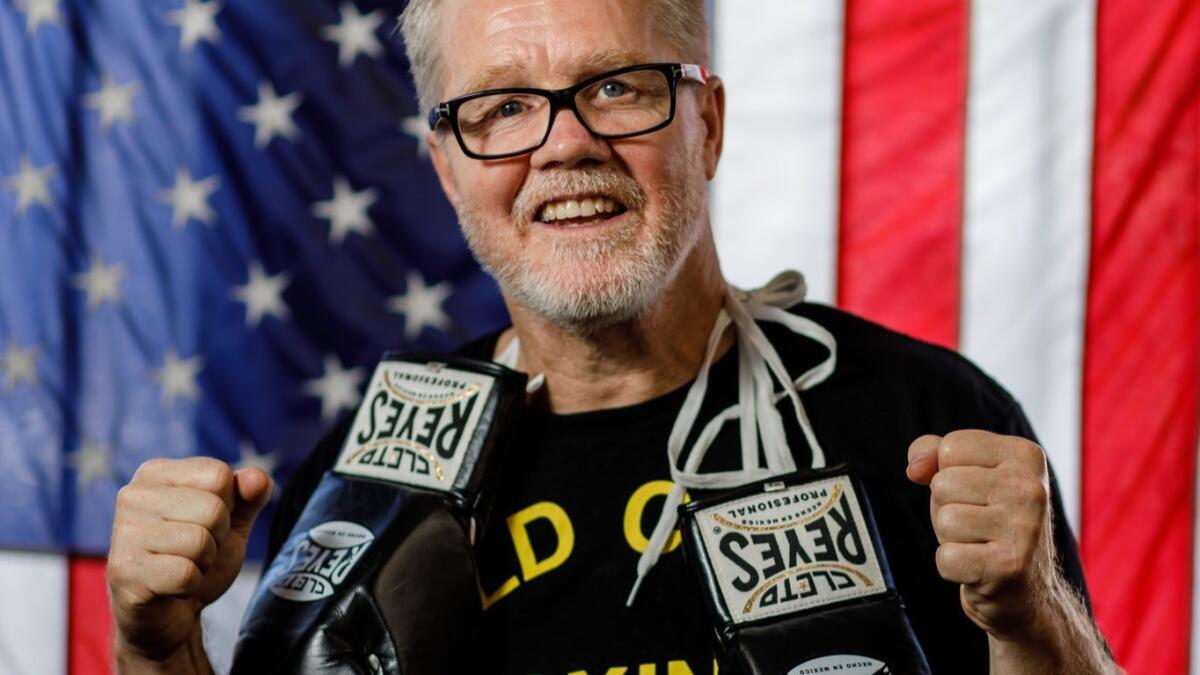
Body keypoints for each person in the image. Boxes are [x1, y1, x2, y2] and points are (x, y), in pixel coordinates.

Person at [107, 0, 1121, 673]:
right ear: (449, 166)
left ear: (708, 124)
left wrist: (1032, 617)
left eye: (617, 88)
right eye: (503, 108)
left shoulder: (926, 422)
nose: (567, 144)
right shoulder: (372, 471)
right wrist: (155, 646)